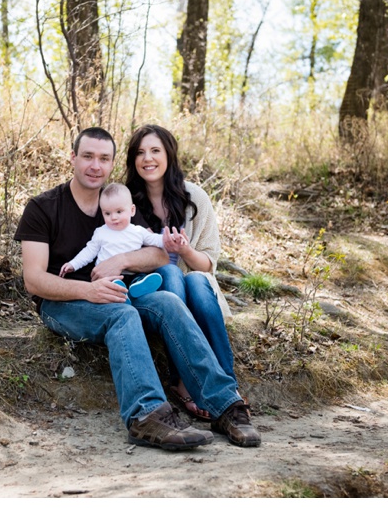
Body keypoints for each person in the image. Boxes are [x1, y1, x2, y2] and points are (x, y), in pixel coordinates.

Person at [14, 126, 260, 449]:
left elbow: (159, 253)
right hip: (64, 303)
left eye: (103, 159)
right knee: (122, 316)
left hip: (119, 292)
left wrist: (122, 261)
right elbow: (33, 280)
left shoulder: (117, 206)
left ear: (112, 163)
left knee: (169, 303)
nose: (95, 166)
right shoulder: (43, 208)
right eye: (87, 156)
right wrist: (89, 291)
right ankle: (147, 415)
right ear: (73, 158)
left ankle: (225, 404)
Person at [125, 124, 240, 422]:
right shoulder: (125, 202)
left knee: (198, 280)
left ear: (169, 155)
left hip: (195, 290)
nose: (147, 159)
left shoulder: (196, 198)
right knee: (171, 274)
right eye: (140, 152)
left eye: (155, 151)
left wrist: (185, 250)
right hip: (155, 293)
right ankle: (185, 380)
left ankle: (228, 386)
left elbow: (208, 263)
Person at [59, 183, 163, 302]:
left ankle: (138, 288)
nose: (113, 217)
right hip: (109, 276)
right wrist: (73, 264)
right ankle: (121, 294)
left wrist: (170, 239)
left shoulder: (138, 231)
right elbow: (88, 252)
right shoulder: (101, 232)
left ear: (132, 210)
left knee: (139, 277)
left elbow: (156, 240)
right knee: (111, 284)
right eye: (107, 213)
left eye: (119, 212)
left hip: (132, 272)